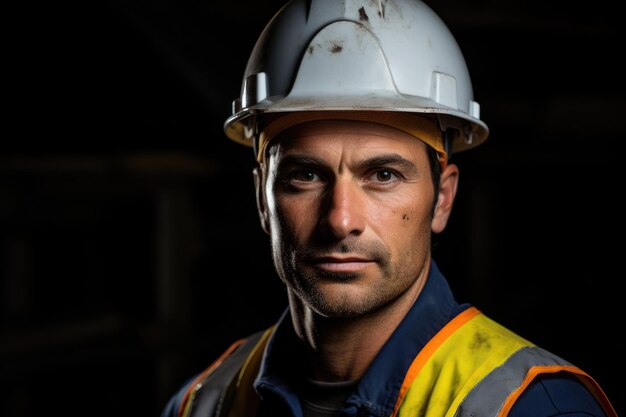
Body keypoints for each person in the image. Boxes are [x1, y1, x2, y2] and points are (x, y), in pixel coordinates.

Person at [161, 0, 618, 416]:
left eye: (383, 176)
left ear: (441, 200)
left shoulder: (530, 408)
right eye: (306, 175)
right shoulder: (204, 402)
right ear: (263, 199)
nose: (340, 220)